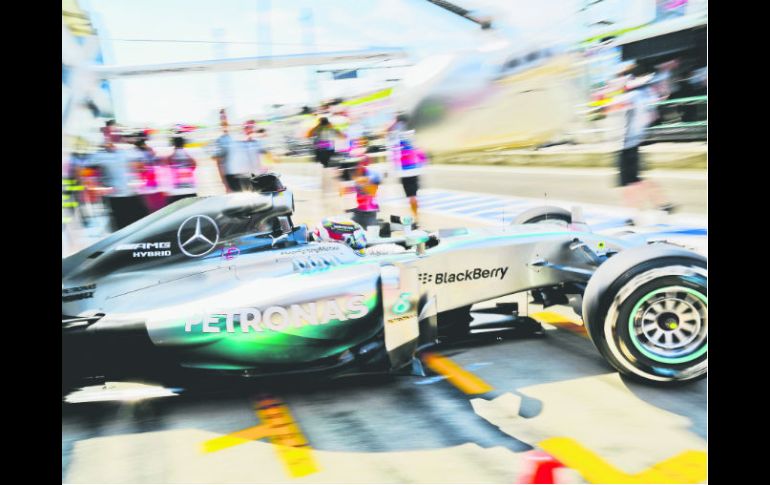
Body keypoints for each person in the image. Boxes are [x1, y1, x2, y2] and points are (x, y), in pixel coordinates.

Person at [617, 71, 676, 222]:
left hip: (626, 145)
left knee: (630, 183)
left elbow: (611, 106)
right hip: (632, 143)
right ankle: (663, 204)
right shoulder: (644, 95)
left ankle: (635, 215)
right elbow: (653, 116)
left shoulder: (632, 95)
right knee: (636, 181)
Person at [90, 126, 148, 231]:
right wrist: (97, 188)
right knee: (121, 228)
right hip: (115, 198)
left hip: (133, 195)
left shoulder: (130, 151)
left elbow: (140, 167)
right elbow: (89, 174)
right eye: (108, 134)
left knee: (141, 226)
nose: (112, 136)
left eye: (115, 133)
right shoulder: (99, 155)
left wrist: (139, 179)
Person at [388, 115, 426, 223]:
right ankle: (416, 216)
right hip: (415, 169)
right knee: (414, 195)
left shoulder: (394, 135)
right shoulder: (411, 133)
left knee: (411, 196)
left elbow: (393, 151)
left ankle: (415, 216)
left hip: (404, 171)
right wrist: (422, 163)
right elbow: (419, 150)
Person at [213, 119, 265, 192]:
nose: (250, 130)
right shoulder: (227, 141)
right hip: (235, 180)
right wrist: (226, 186)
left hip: (253, 178)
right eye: (247, 127)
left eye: (252, 127)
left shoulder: (255, 142)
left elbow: (262, 161)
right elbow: (219, 163)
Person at [165, 135, 198, 204]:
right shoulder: (187, 154)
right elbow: (194, 165)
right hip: (189, 186)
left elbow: (167, 164)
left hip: (177, 187)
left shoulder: (172, 156)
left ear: (174, 144)